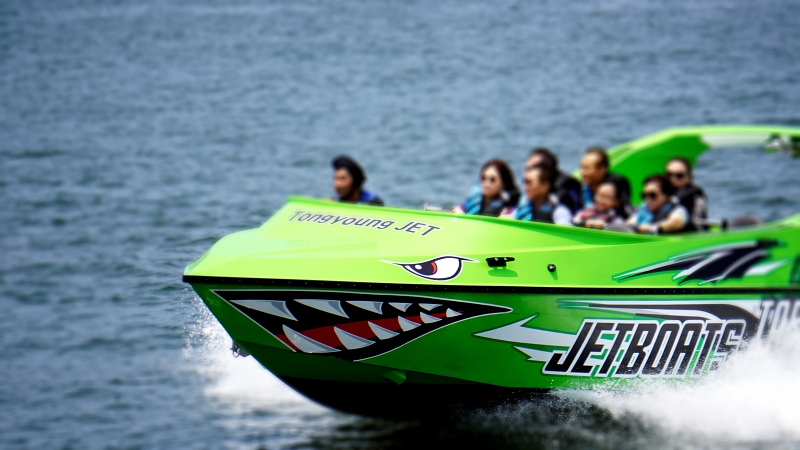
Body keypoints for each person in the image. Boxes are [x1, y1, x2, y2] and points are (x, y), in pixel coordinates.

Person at [525, 147, 582, 214]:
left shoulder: (565, 187)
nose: (528, 173)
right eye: (527, 169)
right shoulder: (532, 187)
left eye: (532, 168)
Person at [454, 159, 520, 216]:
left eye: (492, 180)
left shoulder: (509, 210)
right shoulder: (470, 204)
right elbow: (454, 214)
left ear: (503, 183)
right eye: (483, 178)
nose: (486, 183)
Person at [579, 147, 632, 217]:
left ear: (602, 169)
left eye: (587, 168)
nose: (583, 173)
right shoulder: (585, 187)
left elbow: (625, 210)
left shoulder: (617, 184)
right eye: (582, 167)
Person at [666, 157, 708, 231]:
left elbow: (700, 227)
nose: (672, 179)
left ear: (690, 177)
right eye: (669, 175)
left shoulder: (695, 195)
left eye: (679, 176)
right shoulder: (662, 194)